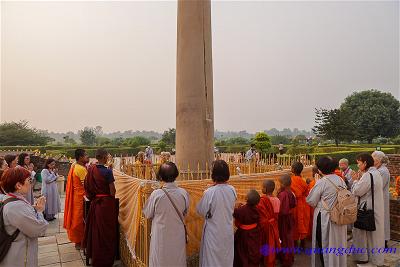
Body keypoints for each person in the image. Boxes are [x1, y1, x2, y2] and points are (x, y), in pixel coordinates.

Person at [143, 162, 189, 267]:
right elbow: (185, 212)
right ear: (176, 175)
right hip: (178, 234)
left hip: (161, 236)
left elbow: (147, 214)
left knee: (160, 261)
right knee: (177, 260)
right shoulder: (183, 193)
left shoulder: (156, 194)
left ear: (160, 176)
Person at [0, 167, 48, 267]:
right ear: (18, 185)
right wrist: (39, 211)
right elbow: (38, 229)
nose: (31, 183)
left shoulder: (12, 200)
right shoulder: (15, 206)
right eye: (29, 180)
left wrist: (33, 209)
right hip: (19, 257)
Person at [306, 157, 348, 267]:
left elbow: (311, 200)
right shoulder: (340, 180)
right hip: (339, 216)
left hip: (326, 217)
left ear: (320, 170)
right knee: (337, 243)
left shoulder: (322, 182)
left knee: (325, 244)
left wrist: (315, 183)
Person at [197, 160, 237, 267]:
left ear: (213, 174)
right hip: (227, 231)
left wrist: (208, 190)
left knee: (212, 260)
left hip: (213, 233)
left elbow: (201, 210)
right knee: (226, 258)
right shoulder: (232, 189)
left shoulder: (210, 192)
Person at [83, 149, 117, 267]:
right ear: (104, 157)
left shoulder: (91, 169)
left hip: (95, 203)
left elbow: (87, 186)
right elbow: (113, 192)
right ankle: (106, 260)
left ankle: (95, 257)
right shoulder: (107, 172)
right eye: (107, 156)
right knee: (107, 233)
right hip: (106, 204)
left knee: (96, 232)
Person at [352, 153, 385, 266]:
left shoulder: (368, 175)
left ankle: (365, 258)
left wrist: (355, 180)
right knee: (375, 236)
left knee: (365, 235)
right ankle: (376, 259)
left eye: (359, 163)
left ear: (365, 163)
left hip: (368, 210)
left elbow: (357, 191)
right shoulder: (376, 173)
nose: (358, 166)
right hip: (376, 208)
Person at [64, 149, 89, 249]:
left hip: (76, 197)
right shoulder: (81, 169)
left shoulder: (74, 165)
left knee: (76, 219)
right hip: (81, 198)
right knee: (79, 220)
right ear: (80, 157)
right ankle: (80, 241)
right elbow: (87, 185)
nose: (87, 156)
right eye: (85, 155)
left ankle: (78, 241)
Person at [233, 189, 261, 267]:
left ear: (246, 199)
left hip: (243, 234)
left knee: (242, 252)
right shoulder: (257, 209)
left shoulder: (241, 210)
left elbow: (235, 213)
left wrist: (236, 208)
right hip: (254, 232)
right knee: (253, 250)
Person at [257, 180, 280, 267]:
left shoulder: (261, 200)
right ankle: (271, 259)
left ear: (265, 189)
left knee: (264, 242)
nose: (261, 188)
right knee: (272, 242)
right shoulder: (277, 200)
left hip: (264, 226)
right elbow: (277, 214)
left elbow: (260, 214)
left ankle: (264, 260)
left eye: (262, 187)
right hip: (274, 224)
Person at [371, 151, 391, 248]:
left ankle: (383, 241)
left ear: (377, 160)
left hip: (381, 199)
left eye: (372, 158)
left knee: (382, 219)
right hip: (378, 199)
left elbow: (379, 186)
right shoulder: (379, 170)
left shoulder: (383, 171)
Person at [277, 174, 296, 267]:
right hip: (290, 217)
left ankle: (286, 259)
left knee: (285, 239)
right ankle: (288, 257)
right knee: (288, 238)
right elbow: (293, 204)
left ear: (282, 184)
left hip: (284, 219)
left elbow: (283, 210)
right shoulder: (291, 192)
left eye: (279, 183)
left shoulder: (283, 194)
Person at [290, 162, 310, 248]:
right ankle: (303, 244)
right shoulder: (303, 181)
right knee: (303, 222)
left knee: (294, 223)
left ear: (293, 170)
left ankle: (294, 245)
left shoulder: (290, 180)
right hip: (303, 204)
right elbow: (307, 193)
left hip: (294, 204)